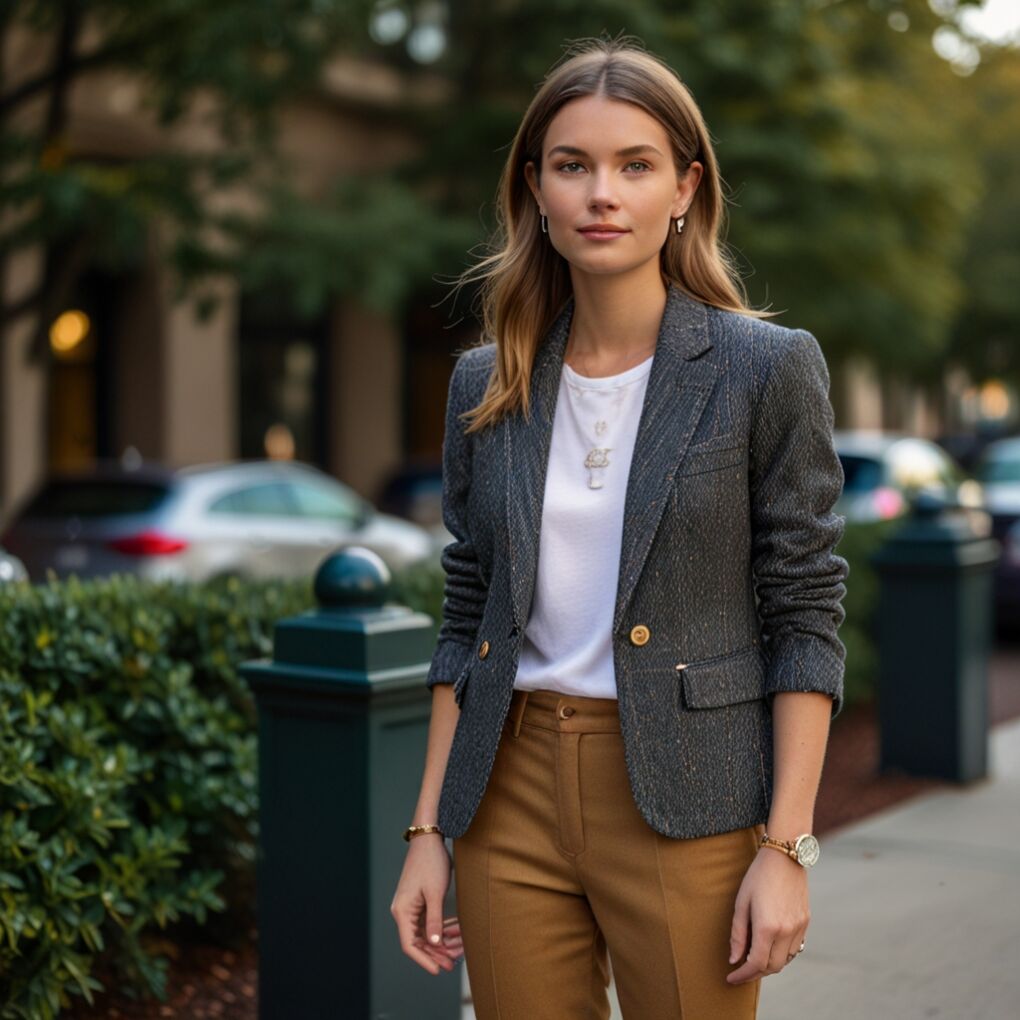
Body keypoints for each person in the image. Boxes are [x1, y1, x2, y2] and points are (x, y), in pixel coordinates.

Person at [391, 35, 848, 1020]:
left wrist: (786, 847)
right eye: (573, 165)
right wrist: (427, 828)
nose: (602, 192)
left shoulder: (765, 370)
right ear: (537, 191)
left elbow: (805, 610)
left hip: (691, 803)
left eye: (634, 165)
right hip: (505, 791)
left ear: (683, 188)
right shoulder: (488, 381)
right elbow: (466, 608)